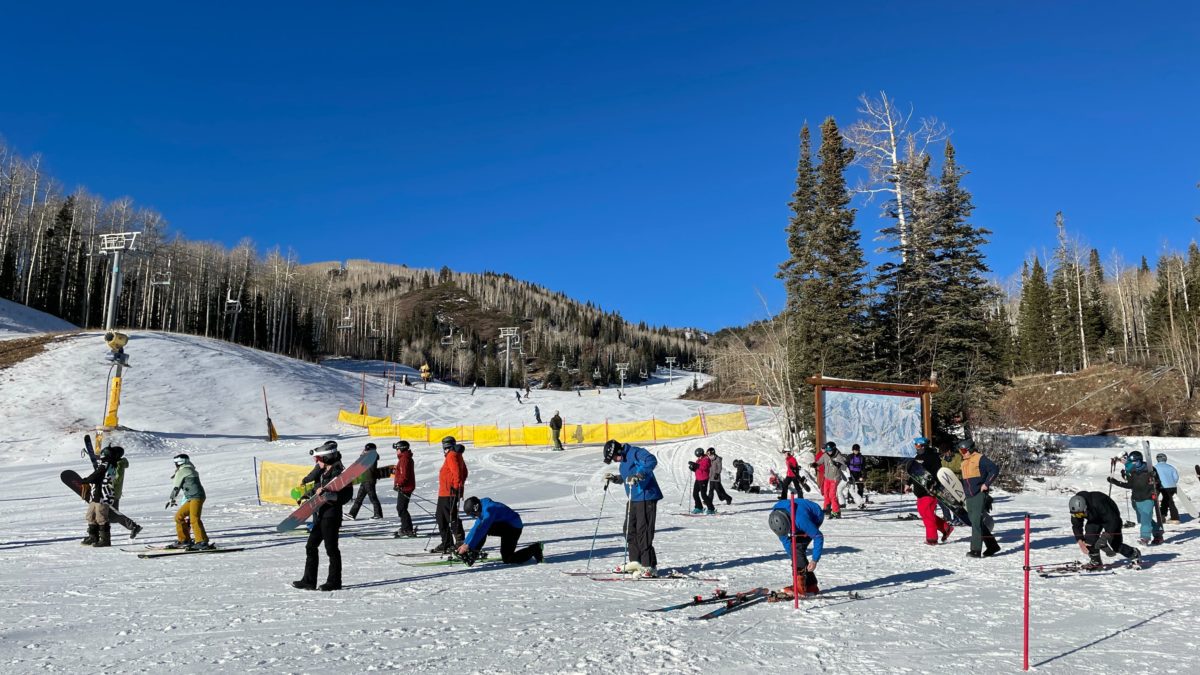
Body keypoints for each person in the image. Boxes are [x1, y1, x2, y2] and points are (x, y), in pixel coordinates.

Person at [292, 442, 353, 591]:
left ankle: (334, 582)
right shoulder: (324, 472)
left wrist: (327, 495)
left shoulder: (340, 473)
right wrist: (306, 495)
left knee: (331, 549)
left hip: (332, 516)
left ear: (326, 458)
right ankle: (309, 581)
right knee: (311, 546)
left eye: (318, 458)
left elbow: (346, 495)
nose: (316, 462)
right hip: (321, 515)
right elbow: (317, 489)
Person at [603, 439, 663, 577]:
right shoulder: (623, 462)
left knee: (644, 531)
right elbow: (626, 478)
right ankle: (636, 563)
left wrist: (639, 475)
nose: (614, 460)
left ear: (618, 451)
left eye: (614, 457)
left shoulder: (635, 452)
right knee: (629, 530)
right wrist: (615, 478)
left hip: (646, 496)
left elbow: (651, 460)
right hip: (633, 498)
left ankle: (649, 566)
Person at [79, 446, 138, 548]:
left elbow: (96, 475)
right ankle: (93, 537)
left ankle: (105, 540)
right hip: (96, 494)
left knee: (101, 517)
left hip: (103, 495)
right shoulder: (108, 464)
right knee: (90, 515)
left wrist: (86, 480)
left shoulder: (107, 464)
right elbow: (98, 473)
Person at [456, 496, 544, 565]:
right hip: (505, 526)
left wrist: (468, 545)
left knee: (508, 558)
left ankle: (535, 549)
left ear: (476, 508)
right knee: (481, 527)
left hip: (513, 529)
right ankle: (472, 555)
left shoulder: (490, 510)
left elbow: (482, 529)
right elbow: (476, 527)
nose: (474, 517)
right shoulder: (481, 506)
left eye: (473, 515)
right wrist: (466, 543)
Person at [768, 496, 825, 596]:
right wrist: (795, 559)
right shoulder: (776, 518)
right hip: (796, 515)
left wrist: (815, 559)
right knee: (796, 553)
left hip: (815, 516)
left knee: (798, 548)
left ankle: (800, 588)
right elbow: (785, 540)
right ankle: (811, 585)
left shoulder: (801, 520)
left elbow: (818, 536)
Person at [1070, 491, 1140, 570]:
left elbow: (1113, 520)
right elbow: (1076, 525)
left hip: (1111, 518)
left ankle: (1133, 553)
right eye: (1077, 515)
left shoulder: (1098, 502)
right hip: (1094, 519)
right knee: (1089, 540)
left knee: (1115, 545)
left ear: (1085, 507)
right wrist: (1080, 540)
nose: (1079, 516)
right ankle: (1096, 562)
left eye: (1080, 514)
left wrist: (1106, 536)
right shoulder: (1076, 510)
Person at [1107, 450, 1163, 545]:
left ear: (1140, 460)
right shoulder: (1133, 471)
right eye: (1132, 462)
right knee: (1144, 519)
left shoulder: (1150, 469)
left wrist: (1154, 482)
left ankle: (1145, 538)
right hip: (1137, 498)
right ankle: (1158, 534)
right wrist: (1115, 482)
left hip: (1148, 498)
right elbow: (1130, 485)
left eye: (1135, 462)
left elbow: (1157, 483)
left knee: (1145, 518)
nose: (1134, 464)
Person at [905, 437, 953, 545]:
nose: (916, 447)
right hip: (919, 490)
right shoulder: (918, 457)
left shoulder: (933, 457)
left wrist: (934, 486)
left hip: (929, 490)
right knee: (925, 513)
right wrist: (908, 484)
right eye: (915, 445)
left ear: (923, 446)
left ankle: (932, 539)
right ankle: (945, 528)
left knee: (927, 514)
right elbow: (914, 472)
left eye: (918, 445)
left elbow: (938, 473)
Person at [958, 439, 1001, 557]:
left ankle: (975, 550)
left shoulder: (980, 458)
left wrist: (986, 484)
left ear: (970, 449)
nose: (962, 453)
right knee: (975, 522)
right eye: (960, 450)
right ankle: (992, 546)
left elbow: (994, 469)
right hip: (969, 495)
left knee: (976, 522)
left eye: (964, 450)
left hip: (978, 494)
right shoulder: (964, 462)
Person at [165, 454, 213, 550]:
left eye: (175, 463)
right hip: (192, 498)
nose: (175, 465)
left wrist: (172, 498)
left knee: (194, 518)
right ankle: (184, 540)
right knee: (179, 517)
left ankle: (202, 541)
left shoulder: (184, 470)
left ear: (180, 462)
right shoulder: (188, 468)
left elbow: (176, 486)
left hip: (196, 497)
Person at [433, 436, 467, 553]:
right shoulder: (456, 455)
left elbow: (457, 472)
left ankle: (459, 542)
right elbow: (464, 472)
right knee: (441, 517)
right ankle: (447, 542)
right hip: (446, 492)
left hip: (449, 492)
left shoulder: (452, 455)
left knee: (450, 517)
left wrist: (456, 487)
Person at [106, 447, 142, 539]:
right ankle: (133, 526)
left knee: (112, 515)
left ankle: (134, 526)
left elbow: (117, 479)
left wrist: (106, 480)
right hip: (109, 491)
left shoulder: (119, 464)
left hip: (112, 493)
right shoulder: (114, 463)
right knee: (109, 515)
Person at [348, 443, 383, 520]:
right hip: (365, 479)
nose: (365, 451)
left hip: (369, 479)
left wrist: (362, 455)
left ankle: (378, 514)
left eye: (367, 450)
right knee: (359, 498)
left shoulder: (372, 457)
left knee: (373, 497)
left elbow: (360, 463)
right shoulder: (369, 456)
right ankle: (352, 514)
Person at [816, 442, 849, 518]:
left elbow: (844, 466)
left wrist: (839, 464)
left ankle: (836, 511)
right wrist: (815, 464)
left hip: (834, 478)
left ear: (833, 449)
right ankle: (827, 508)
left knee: (832, 495)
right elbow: (820, 461)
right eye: (827, 450)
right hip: (827, 477)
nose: (829, 452)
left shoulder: (838, 456)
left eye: (830, 450)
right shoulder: (825, 455)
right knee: (826, 493)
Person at [392, 441, 416, 537]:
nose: (396, 451)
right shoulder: (405, 458)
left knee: (401, 508)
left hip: (405, 487)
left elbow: (404, 475)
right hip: (405, 486)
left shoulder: (404, 459)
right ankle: (406, 527)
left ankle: (407, 529)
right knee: (402, 508)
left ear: (401, 449)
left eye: (397, 449)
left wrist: (399, 484)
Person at [1154, 453, 1181, 524]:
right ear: (1165, 459)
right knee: (1166, 500)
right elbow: (1176, 477)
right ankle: (1163, 516)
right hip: (1172, 487)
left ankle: (1174, 518)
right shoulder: (1171, 467)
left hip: (1162, 486)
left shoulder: (1155, 467)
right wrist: (1172, 483)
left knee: (1169, 502)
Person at [689, 448, 716, 514]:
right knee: (695, 494)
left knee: (703, 495)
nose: (699, 457)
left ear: (702, 454)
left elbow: (704, 467)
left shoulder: (706, 459)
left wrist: (696, 465)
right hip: (698, 479)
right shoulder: (698, 460)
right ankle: (699, 507)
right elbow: (698, 468)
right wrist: (693, 468)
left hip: (704, 479)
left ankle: (711, 509)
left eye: (700, 456)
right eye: (698, 456)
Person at [846, 444, 867, 508]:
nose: (856, 451)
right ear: (852, 450)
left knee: (860, 486)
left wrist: (864, 475)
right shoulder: (849, 457)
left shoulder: (862, 457)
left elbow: (863, 467)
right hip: (851, 473)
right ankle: (850, 498)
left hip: (859, 473)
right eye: (854, 450)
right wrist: (848, 475)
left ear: (859, 450)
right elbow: (846, 466)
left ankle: (860, 498)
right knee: (851, 486)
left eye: (857, 450)